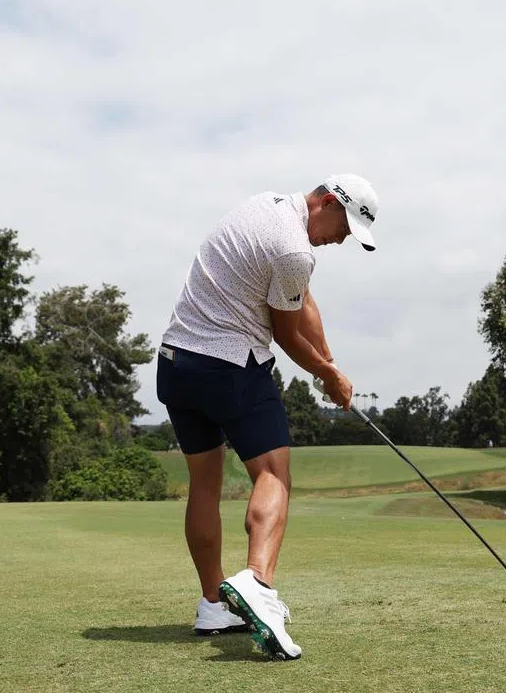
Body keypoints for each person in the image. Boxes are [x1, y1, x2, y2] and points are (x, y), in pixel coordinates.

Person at [156, 174, 379, 661]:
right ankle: (258, 582)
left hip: (177, 364)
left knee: (205, 485)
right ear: (326, 202)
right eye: (345, 228)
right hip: (228, 365)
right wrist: (328, 376)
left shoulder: (267, 206)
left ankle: (214, 604)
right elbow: (286, 334)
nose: (341, 240)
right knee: (274, 473)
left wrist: (330, 362)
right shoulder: (296, 251)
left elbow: (303, 301)